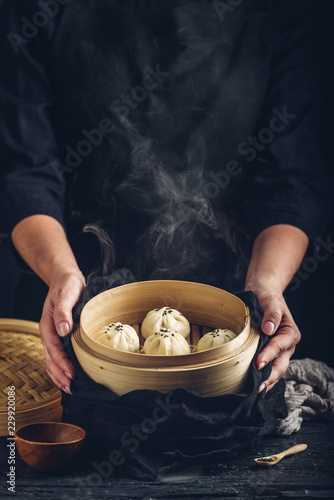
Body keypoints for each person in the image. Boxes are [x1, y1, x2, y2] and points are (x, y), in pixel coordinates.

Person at [0, 0, 331, 397]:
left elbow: (294, 174)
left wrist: (267, 283)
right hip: (77, 308)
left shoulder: (291, 10)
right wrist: (61, 274)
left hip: (237, 314)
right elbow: (23, 168)